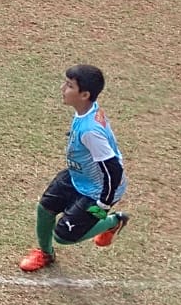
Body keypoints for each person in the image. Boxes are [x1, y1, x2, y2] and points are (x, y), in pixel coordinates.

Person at [18, 65, 130, 273]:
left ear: (85, 94)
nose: (63, 88)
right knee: (45, 210)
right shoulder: (85, 113)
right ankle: (45, 253)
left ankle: (114, 221)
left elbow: (113, 169)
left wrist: (104, 204)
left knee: (64, 236)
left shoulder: (90, 131)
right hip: (78, 176)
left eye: (69, 86)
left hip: (98, 193)